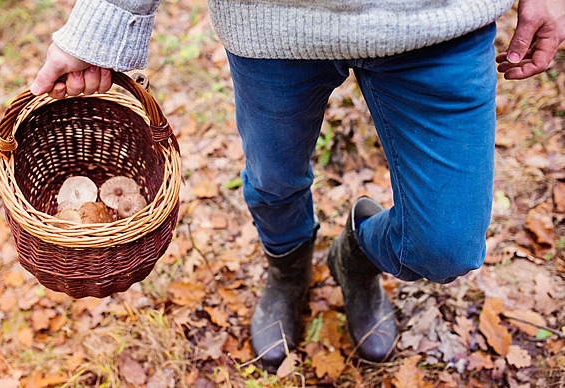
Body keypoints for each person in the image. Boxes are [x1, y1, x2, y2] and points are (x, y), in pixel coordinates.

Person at [30, 0, 565, 372]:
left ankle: (355, 254)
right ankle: (288, 270)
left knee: (446, 245)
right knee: (273, 179)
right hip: (273, 23)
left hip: (437, 24)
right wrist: (102, 24)